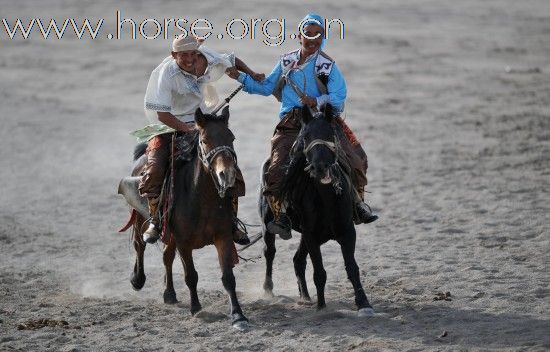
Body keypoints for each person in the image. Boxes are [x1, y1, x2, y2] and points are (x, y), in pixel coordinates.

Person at [226, 13, 378, 239]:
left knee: (356, 158)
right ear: (300, 36)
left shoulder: (327, 66)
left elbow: (339, 96)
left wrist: (316, 101)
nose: (313, 39)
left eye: (318, 34)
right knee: (276, 165)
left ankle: (358, 204)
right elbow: (267, 87)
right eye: (309, 33)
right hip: (292, 122)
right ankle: (279, 214)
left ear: (323, 37)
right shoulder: (286, 61)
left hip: (323, 121)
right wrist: (240, 77)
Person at [136, 35, 263, 245]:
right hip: (167, 123)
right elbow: (162, 115)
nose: (189, 59)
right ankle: (156, 219)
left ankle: (231, 221)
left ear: (198, 52)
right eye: (183, 55)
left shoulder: (206, 58)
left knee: (226, 160)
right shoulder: (165, 74)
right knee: (156, 168)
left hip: (199, 118)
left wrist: (251, 73)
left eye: (192, 54)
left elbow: (231, 60)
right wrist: (186, 128)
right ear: (173, 55)